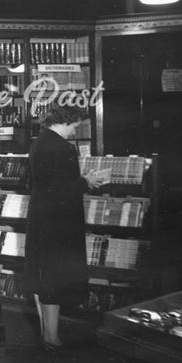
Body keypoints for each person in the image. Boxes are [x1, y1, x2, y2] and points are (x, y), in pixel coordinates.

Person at [24, 102, 108, 349]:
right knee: (56, 279)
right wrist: (87, 181)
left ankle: (48, 333)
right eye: (75, 126)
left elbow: (42, 184)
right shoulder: (62, 148)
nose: (75, 131)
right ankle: (51, 337)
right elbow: (62, 190)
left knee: (46, 277)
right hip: (60, 221)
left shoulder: (38, 143)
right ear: (65, 122)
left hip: (41, 217)